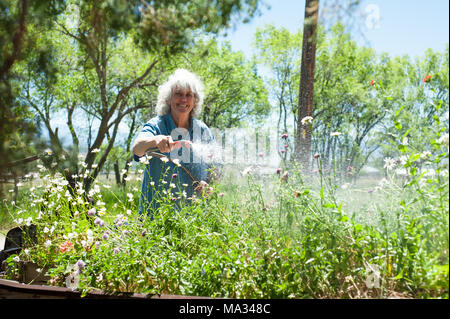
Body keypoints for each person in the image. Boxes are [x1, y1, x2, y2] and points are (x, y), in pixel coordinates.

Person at [132, 69, 216, 217]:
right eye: (178, 94)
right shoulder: (156, 126)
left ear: (195, 101)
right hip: (155, 216)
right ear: (168, 99)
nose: (184, 99)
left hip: (192, 220)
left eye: (189, 95)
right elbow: (137, 148)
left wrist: (207, 182)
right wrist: (155, 140)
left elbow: (214, 166)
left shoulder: (202, 131)